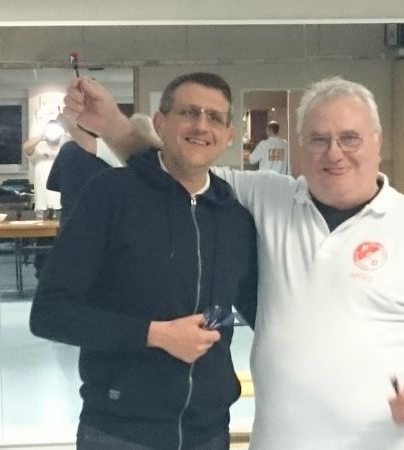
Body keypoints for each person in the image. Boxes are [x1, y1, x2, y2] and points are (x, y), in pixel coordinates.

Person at [66, 75, 404, 449]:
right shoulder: (269, 198)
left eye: (349, 138)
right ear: (300, 145)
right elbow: (178, 166)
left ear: (377, 140)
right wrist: (114, 126)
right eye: (319, 139)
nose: (334, 153)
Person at [31, 72, 258, 450]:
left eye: (215, 118)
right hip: (120, 433)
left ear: (229, 134)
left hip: (208, 432)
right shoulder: (109, 196)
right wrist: (155, 335)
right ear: (160, 123)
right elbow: (50, 314)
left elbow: (254, 310)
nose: (202, 126)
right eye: (189, 112)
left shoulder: (234, 217)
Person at [23, 118, 68, 211]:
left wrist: (66, 132)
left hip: (62, 199)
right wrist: (42, 135)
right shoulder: (38, 148)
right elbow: (26, 147)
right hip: (42, 201)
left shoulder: (66, 148)